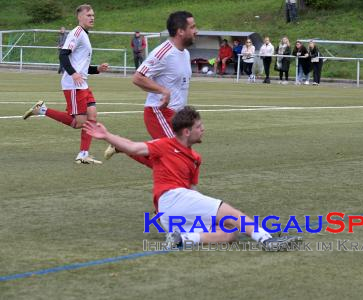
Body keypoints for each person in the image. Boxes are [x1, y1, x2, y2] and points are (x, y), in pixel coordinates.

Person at [83, 106, 301, 251]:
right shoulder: (164, 144)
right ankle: (267, 240)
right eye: (199, 127)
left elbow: (193, 191)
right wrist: (106, 135)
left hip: (172, 211)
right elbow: (133, 147)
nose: (203, 129)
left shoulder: (196, 158)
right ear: (187, 132)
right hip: (172, 199)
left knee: (229, 233)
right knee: (230, 212)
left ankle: (181, 239)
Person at [105, 11, 198, 165]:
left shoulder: (186, 54)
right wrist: (163, 91)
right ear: (180, 31)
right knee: (178, 161)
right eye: (192, 27)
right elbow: (138, 77)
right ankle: (125, 147)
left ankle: (123, 147)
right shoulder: (164, 53)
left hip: (177, 117)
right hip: (159, 112)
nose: (196, 31)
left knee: (169, 162)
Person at [23, 4, 110, 164]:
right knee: (79, 123)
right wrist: (73, 73)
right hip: (73, 85)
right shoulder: (76, 33)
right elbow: (63, 55)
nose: (92, 18)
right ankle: (42, 110)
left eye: (93, 15)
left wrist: (97, 69)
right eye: (88, 15)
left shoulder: (85, 34)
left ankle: (83, 154)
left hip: (82, 83)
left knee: (92, 116)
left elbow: (81, 66)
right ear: (79, 17)